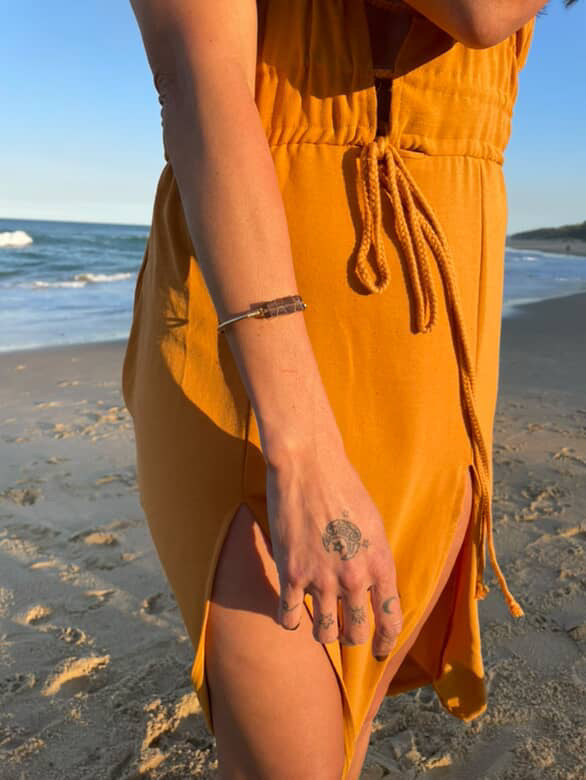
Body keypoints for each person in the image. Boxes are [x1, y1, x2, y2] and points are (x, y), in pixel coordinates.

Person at [123, 1, 550, 777]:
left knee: (341, 729)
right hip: (257, 365)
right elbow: (197, 83)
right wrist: (302, 444)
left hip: (435, 360)